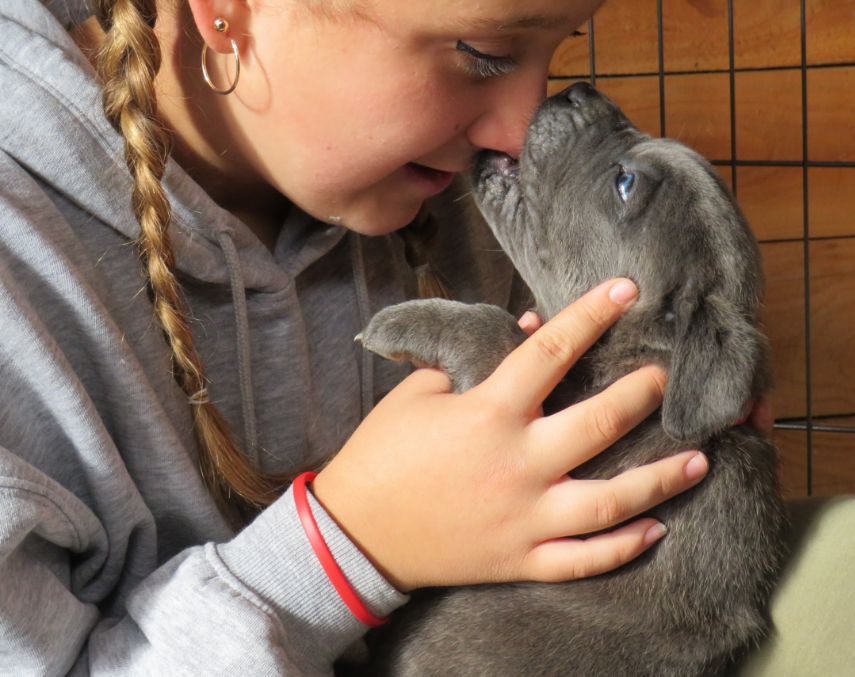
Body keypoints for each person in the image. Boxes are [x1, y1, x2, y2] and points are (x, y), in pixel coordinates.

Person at [0, 0, 730, 672]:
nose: (518, 132)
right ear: (228, 11)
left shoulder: (448, 195)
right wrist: (345, 550)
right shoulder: (18, 264)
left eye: (556, 51)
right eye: (481, 53)